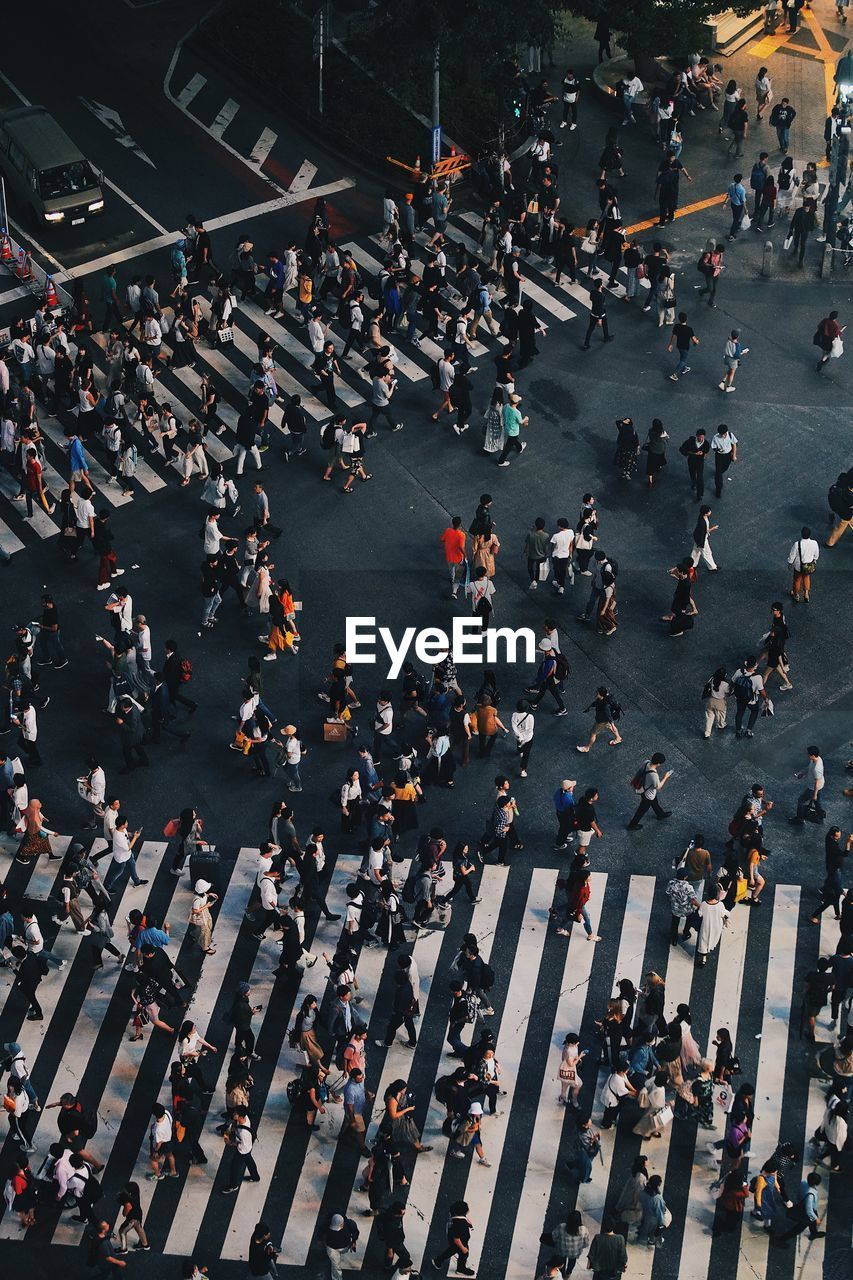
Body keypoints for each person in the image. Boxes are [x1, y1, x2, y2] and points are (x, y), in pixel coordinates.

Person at [431, 1200, 474, 1275]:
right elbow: (456, 1239)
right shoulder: (460, 1224)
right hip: (460, 1242)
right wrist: (463, 1248)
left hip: (454, 1241)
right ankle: (461, 1269)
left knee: (451, 1251)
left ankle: (438, 1261)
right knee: (464, 1254)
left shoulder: (456, 1218)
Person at [788, 526, 819, 602]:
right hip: (809, 566)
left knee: (797, 580)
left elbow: (792, 555)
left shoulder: (797, 544)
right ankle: (806, 594)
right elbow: (816, 555)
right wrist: (814, 560)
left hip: (799, 567)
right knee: (806, 577)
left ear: (801, 534)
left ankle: (796, 595)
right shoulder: (814, 543)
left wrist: (790, 563)